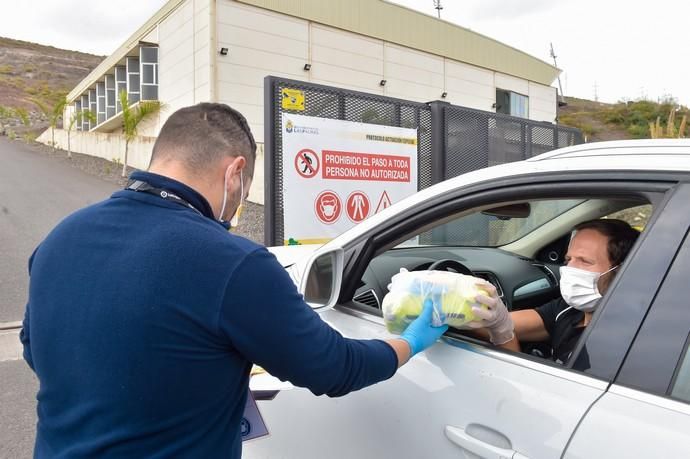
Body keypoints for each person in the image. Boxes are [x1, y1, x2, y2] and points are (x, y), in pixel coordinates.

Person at [20, 103, 447, 458]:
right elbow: (334, 368)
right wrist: (411, 341)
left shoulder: (61, 237)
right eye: (243, 189)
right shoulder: (233, 263)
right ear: (235, 173)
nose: (239, 200)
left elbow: (34, 347)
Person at [471, 219, 640, 364]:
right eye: (568, 259)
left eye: (584, 261)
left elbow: (527, 386)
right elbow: (495, 323)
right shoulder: (568, 310)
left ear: (621, 271)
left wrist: (502, 332)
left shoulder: (625, 340)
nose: (569, 268)